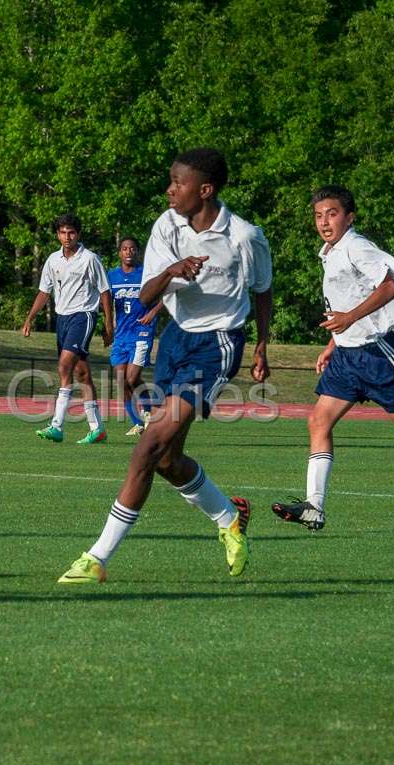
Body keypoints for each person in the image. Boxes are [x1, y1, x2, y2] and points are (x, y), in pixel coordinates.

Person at [58, 147, 272, 583]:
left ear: (205, 190)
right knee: (167, 459)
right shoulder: (166, 224)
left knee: (147, 446)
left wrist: (262, 346)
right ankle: (229, 518)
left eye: (179, 183)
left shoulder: (244, 236)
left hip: (217, 345)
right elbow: (145, 296)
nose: (170, 189)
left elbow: (263, 290)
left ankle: (96, 558)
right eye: (171, 181)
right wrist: (174, 268)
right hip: (174, 340)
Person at [270, 186, 394, 531]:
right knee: (318, 422)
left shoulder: (357, 246)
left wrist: (350, 318)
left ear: (350, 217)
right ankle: (314, 507)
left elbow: (390, 285)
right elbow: (346, 299)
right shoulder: (330, 252)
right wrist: (334, 342)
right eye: (318, 215)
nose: (324, 221)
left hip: (379, 353)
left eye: (332, 213)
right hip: (347, 357)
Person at [21, 213, 115, 444]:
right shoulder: (53, 260)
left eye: (71, 232)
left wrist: (109, 324)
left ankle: (57, 425)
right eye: (62, 232)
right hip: (62, 320)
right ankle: (97, 429)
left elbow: (105, 291)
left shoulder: (90, 259)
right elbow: (45, 292)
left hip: (83, 316)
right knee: (81, 373)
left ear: (78, 234)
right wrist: (30, 318)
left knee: (64, 366)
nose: (67, 237)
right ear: (57, 234)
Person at [108, 237, 162, 436]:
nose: (128, 252)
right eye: (124, 249)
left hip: (141, 332)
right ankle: (137, 422)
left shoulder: (146, 274)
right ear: (119, 253)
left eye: (132, 248)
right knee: (122, 380)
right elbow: (105, 300)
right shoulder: (112, 276)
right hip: (121, 335)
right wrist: (107, 325)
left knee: (132, 377)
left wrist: (153, 312)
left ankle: (149, 412)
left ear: (137, 252)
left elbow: (168, 294)